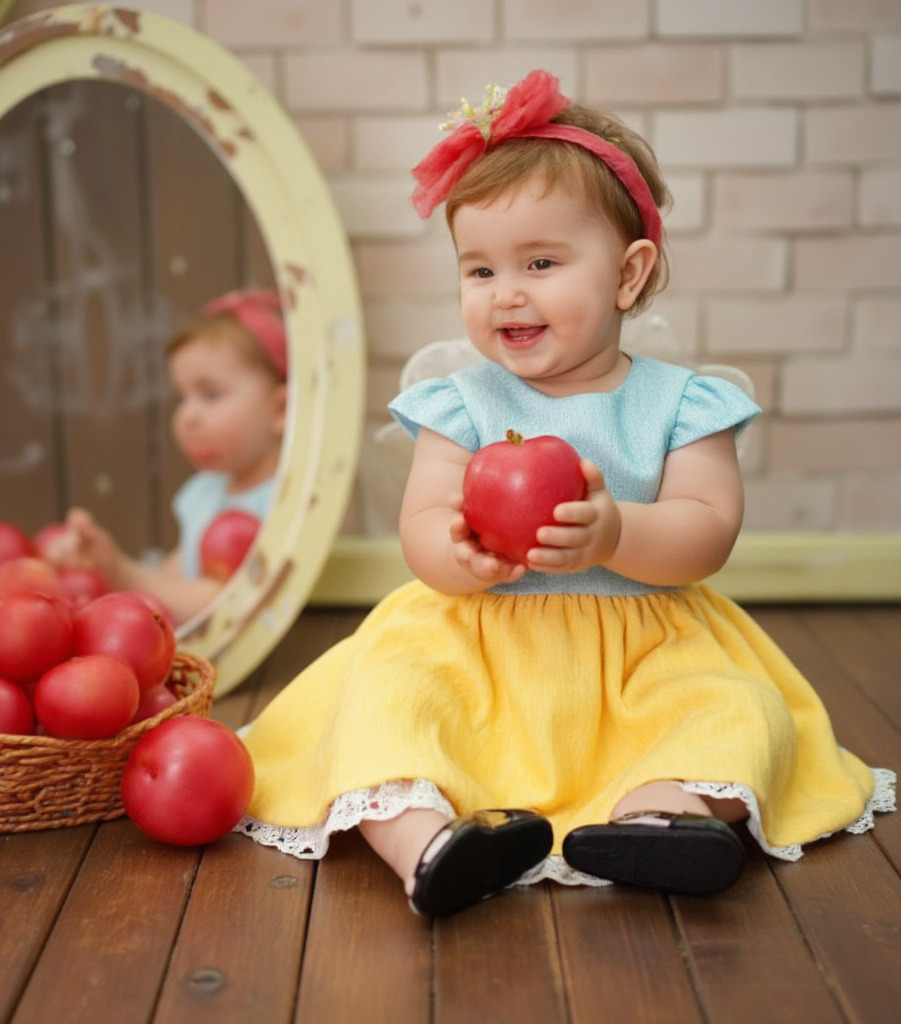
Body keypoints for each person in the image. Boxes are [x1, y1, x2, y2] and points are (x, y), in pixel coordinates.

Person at [233, 70, 895, 917]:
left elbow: (708, 529)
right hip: (477, 643)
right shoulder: (461, 403)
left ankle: (664, 813)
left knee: (739, 710)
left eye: (540, 262)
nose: (505, 291)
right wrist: (458, 550)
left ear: (628, 275)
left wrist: (615, 532)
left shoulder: (681, 404)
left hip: (644, 649)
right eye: (479, 269)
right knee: (387, 700)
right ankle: (428, 841)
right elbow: (424, 523)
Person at [49, 288, 287, 625]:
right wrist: (98, 568)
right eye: (181, 398)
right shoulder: (204, 493)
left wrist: (122, 570)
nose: (188, 417)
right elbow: (174, 576)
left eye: (210, 394)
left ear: (280, 408)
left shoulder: (283, 506)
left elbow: (221, 605)